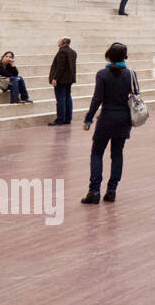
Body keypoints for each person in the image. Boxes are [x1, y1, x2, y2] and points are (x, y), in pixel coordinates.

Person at [81, 42, 135, 204]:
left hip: (106, 118)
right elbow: (135, 95)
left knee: (97, 153)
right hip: (124, 118)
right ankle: (112, 190)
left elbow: (97, 99)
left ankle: (94, 191)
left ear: (108, 55)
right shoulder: (131, 74)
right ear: (124, 56)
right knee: (117, 154)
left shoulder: (102, 74)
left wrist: (88, 118)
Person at [47, 37, 77, 125]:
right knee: (68, 98)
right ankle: (68, 118)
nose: (58, 41)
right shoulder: (73, 52)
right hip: (69, 79)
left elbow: (60, 67)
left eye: (59, 40)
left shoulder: (62, 52)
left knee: (61, 99)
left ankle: (60, 119)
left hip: (61, 79)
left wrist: (55, 78)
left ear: (63, 42)